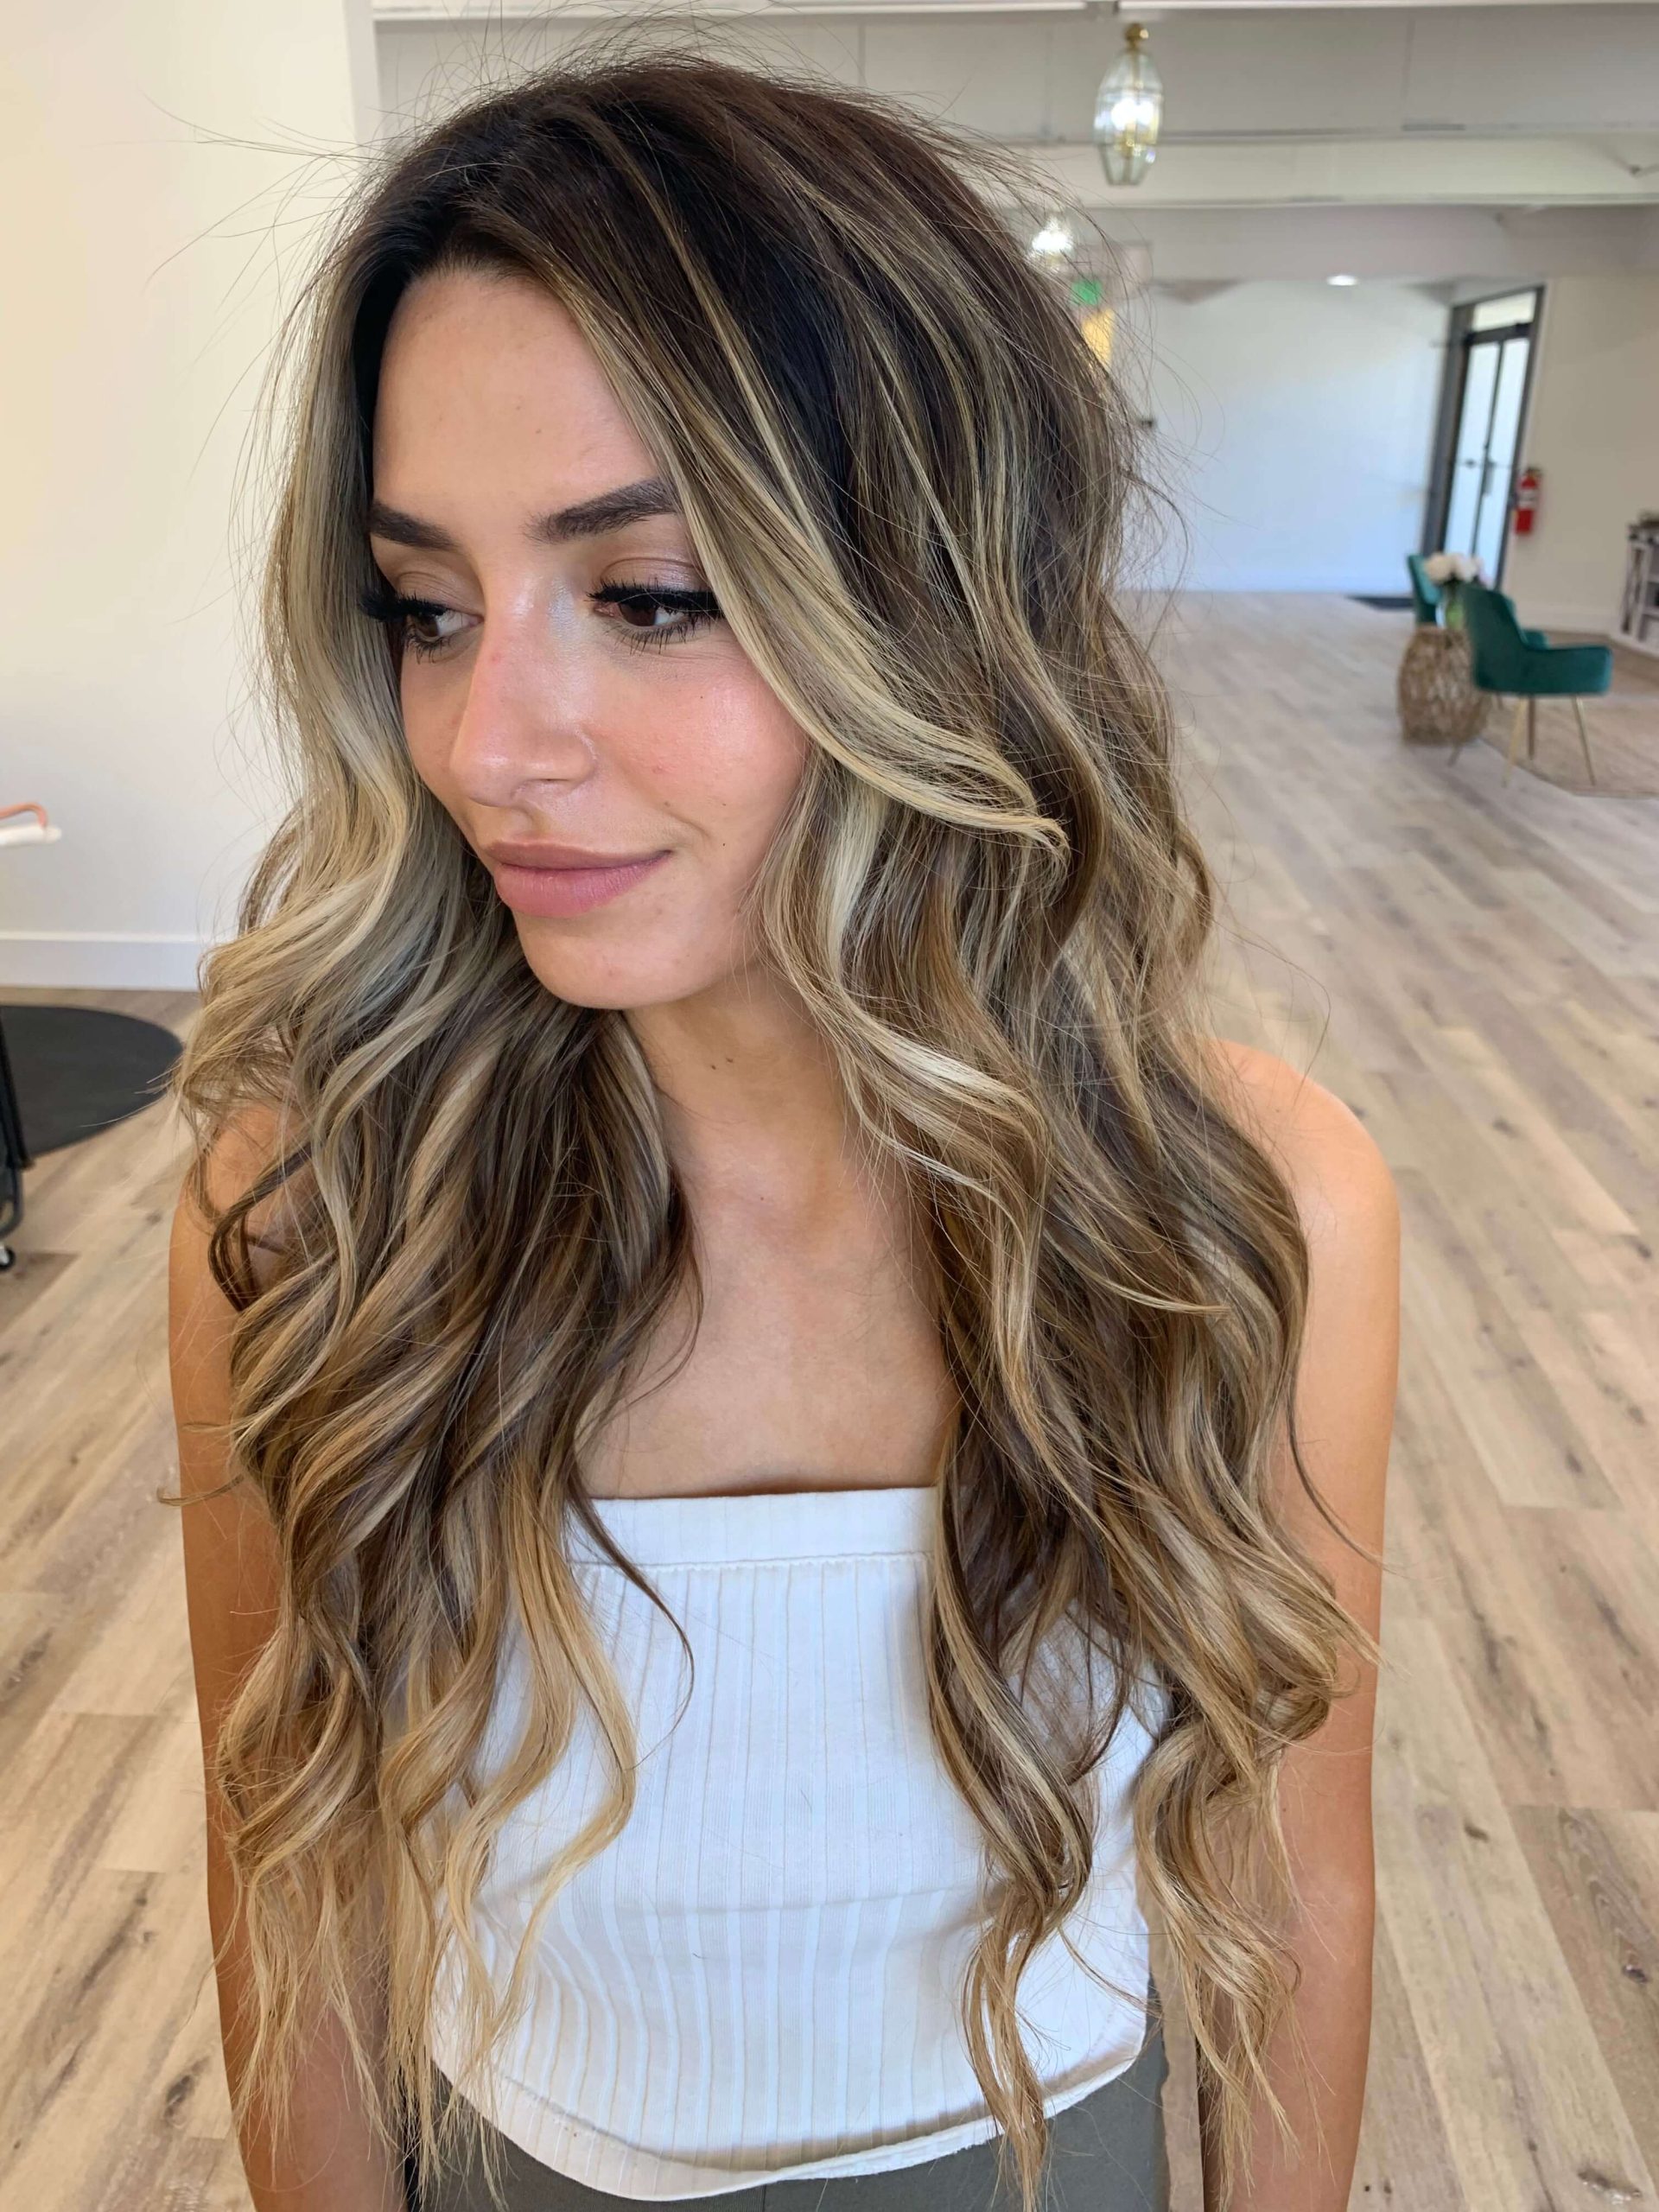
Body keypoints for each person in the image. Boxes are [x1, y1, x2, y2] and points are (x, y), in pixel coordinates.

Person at [164, 37, 1400, 2212]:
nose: (484, 740)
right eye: (425, 607)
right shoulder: (315, 1214)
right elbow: (299, 1904)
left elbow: (1294, 1895)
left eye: (643, 595)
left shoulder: (1250, 1210)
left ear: (937, 608)